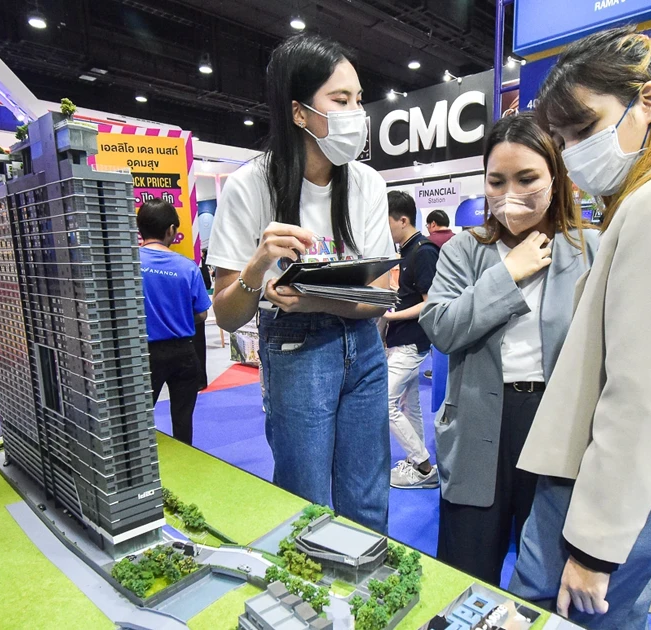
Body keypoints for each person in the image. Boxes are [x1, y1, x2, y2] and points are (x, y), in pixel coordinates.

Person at [509, 27, 651, 626]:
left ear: (648, 102)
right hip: (623, 480)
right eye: (564, 139)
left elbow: (642, 393)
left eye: (584, 129)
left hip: (613, 485)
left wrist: (594, 547)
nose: (573, 152)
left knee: (552, 614)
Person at [207, 34, 395, 532]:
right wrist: (257, 266)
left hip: (364, 346)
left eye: (358, 99)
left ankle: (369, 578)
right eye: (341, 99)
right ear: (299, 112)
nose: (356, 113)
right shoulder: (250, 184)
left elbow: (381, 297)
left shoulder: (367, 183)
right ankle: (309, 583)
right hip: (294, 347)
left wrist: (314, 299)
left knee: (368, 498)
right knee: (305, 499)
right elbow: (227, 314)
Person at [420, 112, 598, 585]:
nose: (510, 194)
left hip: (556, 423)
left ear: (555, 178)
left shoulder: (589, 249)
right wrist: (508, 274)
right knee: (464, 572)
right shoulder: (464, 250)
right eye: (496, 181)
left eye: (527, 178)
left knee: (547, 574)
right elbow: (441, 327)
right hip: (478, 419)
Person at [139, 199, 212, 445]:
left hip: (143, 353)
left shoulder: (128, 264)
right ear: (171, 229)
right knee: (183, 419)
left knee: (138, 417)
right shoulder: (187, 267)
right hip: (183, 351)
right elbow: (202, 314)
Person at [384, 191, 440, 490]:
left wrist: (391, 315)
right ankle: (419, 465)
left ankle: (423, 465)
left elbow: (431, 303)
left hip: (412, 340)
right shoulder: (408, 251)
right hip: (403, 338)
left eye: (387, 222)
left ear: (403, 220)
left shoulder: (423, 251)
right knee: (409, 404)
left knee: (385, 403)